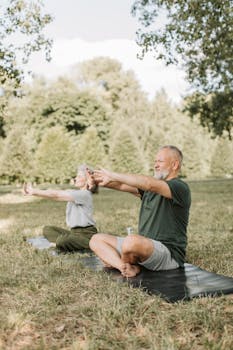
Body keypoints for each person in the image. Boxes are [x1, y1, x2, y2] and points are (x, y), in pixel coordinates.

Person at [89, 145, 191, 277]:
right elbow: (121, 185)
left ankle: (119, 260)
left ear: (174, 164)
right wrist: (98, 179)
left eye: (160, 161)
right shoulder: (149, 190)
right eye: (155, 162)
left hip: (168, 252)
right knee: (96, 239)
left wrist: (113, 174)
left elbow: (149, 183)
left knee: (131, 241)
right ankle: (124, 267)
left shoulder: (179, 187)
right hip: (143, 247)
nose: (155, 165)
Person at [23, 164, 98, 252]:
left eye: (79, 176)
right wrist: (34, 193)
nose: (75, 178)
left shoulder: (85, 194)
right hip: (74, 233)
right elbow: (54, 194)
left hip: (86, 235)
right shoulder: (74, 192)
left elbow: (57, 195)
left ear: (87, 180)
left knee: (62, 240)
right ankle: (61, 243)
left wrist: (33, 191)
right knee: (48, 229)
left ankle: (61, 243)